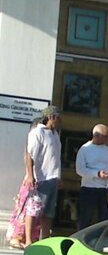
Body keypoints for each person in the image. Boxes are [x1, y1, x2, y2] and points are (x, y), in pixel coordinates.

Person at [24, 105, 63, 246]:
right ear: (51, 117)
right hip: (40, 178)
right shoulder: (37, 132)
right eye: (58, 117)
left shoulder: (55, 134)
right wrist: (30, 175)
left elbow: (56, 157)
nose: (60, 121)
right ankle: (28, 239)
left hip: (53, 178)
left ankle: (44, 240)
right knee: (33, 209)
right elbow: (30, 154)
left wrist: (59, 176)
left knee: (49, 212)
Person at [6, 118, 43, 248]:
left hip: (38, 179)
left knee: (34, 211)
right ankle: (19, 237)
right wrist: (31, 176)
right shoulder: (33, 141)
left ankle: (30, 237)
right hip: (31, 180)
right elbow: (29, 160)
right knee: (26, 210)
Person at [75, 124, 108, 229]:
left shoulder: (107, 150)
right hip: (89, 187)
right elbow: (80, 170)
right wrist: (97, 173)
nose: (106, 139)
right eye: (105, 136)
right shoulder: (85, 149)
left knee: (104, 218)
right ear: (96, 135)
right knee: (86, 217)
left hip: (104, 188)